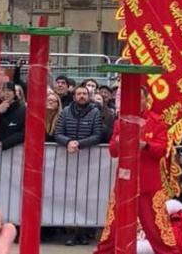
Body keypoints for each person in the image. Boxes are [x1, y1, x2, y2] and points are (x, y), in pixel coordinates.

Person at [96, 107, 182, 254]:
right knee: (114, 225)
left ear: (145, 100)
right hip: (124, 182)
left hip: (149, 185)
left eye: (140, 98)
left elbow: (162, 151)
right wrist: (118, 141)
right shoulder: (120, 122)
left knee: (157, 227)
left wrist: (146, 146)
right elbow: (113, 151)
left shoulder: (158, 122)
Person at [54, 85, 105, 245]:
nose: (82, 96)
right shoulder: (66, 111)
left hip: (88, 158)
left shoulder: (95, 112)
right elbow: (58, 133)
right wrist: (68, 142)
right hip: (68, 157)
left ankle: (84, 232)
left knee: (86, 196)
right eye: (79, 93)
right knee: (69, 196)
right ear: (74, 96)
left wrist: (79, 144)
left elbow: (97, 135)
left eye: (84, 93)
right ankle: (73, 232)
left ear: (89, 96)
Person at [0, 82, 27, 150]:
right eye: (3, 90)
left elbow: (23, 132)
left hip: (15, 151)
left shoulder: (23, 109)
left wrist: (4, 144)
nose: (6, 93)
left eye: (9, 90)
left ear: (14, 93)